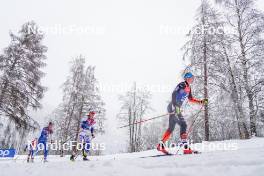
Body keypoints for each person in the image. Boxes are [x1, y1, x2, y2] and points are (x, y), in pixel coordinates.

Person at [157, 72, 207, 154]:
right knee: (183, 124)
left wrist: (201, 102)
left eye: (193, 78)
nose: (193, 79)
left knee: (171, 128)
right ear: (187, 78)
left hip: (176, 108)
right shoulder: (182, 84)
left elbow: (190, 99)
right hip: (173, 106)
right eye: (191, 78)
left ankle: (161, 145)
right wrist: (175, 106)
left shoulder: (189, 88)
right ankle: (186, 148)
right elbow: (174, 94)